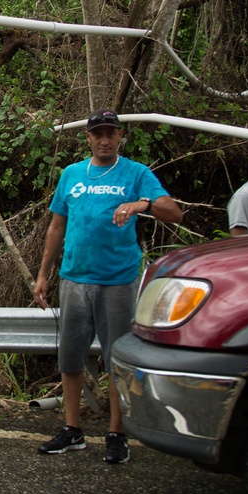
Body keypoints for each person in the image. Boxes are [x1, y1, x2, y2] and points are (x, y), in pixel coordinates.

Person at [33, 108, 183, 464]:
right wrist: (43, 274)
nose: (104, 139)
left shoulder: (136, 173)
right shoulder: (71, 174)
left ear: (119, 137)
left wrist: (141, 203)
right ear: (87, 137)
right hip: (74, 278)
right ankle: (72, 431)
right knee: (71, 358)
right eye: (97, 133)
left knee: (116, 359)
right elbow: (56, 227)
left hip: (118, 281)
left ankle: (117, 434)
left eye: (110, 133)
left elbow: (173, 212)